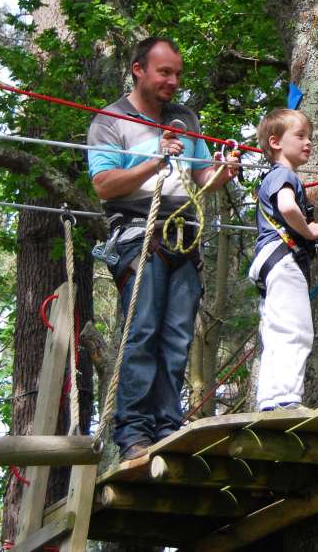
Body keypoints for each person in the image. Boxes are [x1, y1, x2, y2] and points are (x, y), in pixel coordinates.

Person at [87, 37, 238, 461]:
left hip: (184, 236)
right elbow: (103, 184)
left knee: (177, 338)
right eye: (164, 72)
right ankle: (134, 433)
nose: (173, 81)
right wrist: (154, 160)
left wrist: (223, 172)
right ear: (138, 69)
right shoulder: (110, 120)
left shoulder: (185, 119)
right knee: (144, 333)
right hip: (139, 234)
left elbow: (203, 173)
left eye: (177, 74)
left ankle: (168, 428)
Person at [248, 109, 318, 412]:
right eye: (301, 136)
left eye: (310, 138)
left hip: (272, 261)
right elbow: (288, 209)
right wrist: (311, 232)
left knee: (278, 330)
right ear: (275, 142)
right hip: (283, 259)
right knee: (296, 329)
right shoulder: (284, 175)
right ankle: (286, 400)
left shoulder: (273, 176)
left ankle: (272, 399)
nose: (308, 143)